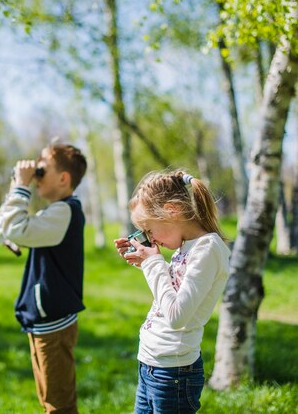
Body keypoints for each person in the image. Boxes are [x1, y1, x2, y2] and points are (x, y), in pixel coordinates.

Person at [114, 169, 231, 414]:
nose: (151, 239)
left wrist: (153, 263)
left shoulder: (207, 248)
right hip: (150, 364)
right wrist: (147, 264)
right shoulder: (186, 247)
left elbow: (177, 316)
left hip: (173, 373)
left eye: (149, 229)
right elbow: (176, 287)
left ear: (171, 210)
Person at [0, 143, 88, 414]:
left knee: (59, 406)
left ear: (63, 178)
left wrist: (21, 187)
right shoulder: (56, 212)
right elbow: (7, 228)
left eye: (41, 169)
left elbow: (14, 227)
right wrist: (17, 187)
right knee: (49, 401)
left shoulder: (65, 211)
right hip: (46, 319)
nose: (35, 176)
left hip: (54, 322)